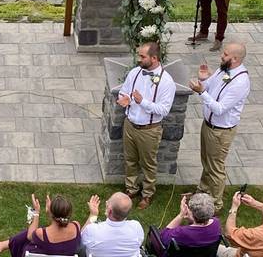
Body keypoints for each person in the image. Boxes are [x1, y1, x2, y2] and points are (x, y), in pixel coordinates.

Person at [189, 42, 252, 212]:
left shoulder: (240, 82)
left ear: (235, 58)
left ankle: (215, 204)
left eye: (225, 54)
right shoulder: (223, 69)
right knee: (206, 161)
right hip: (208, 125)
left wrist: (201, 92)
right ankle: (202, 192)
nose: (221, 57)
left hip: (220, 131)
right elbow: (209, 85)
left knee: (216, 167)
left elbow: (219, 109)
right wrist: (203, 80)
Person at [116, 41, 176, 209]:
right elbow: (124, 90)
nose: (138, 59)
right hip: (130, 125)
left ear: (154, 58)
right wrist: (125, 98)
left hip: (149, 130)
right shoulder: (135, 72)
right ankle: (131, 188)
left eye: (142, 56)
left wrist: (143, 102)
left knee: (148, 164)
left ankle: (147, 194)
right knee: (130, 160)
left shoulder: (166, 82)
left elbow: (163, 110)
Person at [0, 193, 81, 257]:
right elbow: (56, 227)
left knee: (26, 237)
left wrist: (36, 212)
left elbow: (29, 236)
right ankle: (0, 245)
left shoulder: (41, 234)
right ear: (69, 213)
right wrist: (50, 212)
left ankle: (1, 246)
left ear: (51, 213)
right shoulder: (76, 226)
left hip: (38, 252)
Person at [81, 192, 144, 257]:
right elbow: (139, 242)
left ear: (110, 211)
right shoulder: (136, 227)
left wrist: (93, 215)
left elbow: (79, 239)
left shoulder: (92, 230)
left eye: (107, 203)